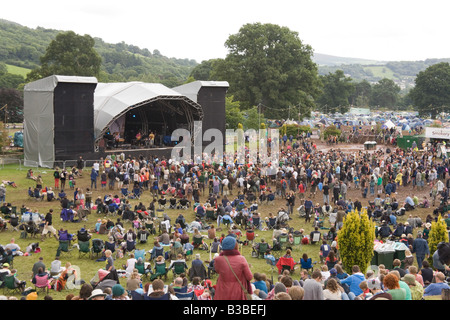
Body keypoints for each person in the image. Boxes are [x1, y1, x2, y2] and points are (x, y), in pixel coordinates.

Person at [213, 236, 253, 300]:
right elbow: (249, 277)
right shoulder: (241, 259)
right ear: (235, 246)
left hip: (222, 291)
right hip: (237, 291)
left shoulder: (218, 259)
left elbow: (217, 270)